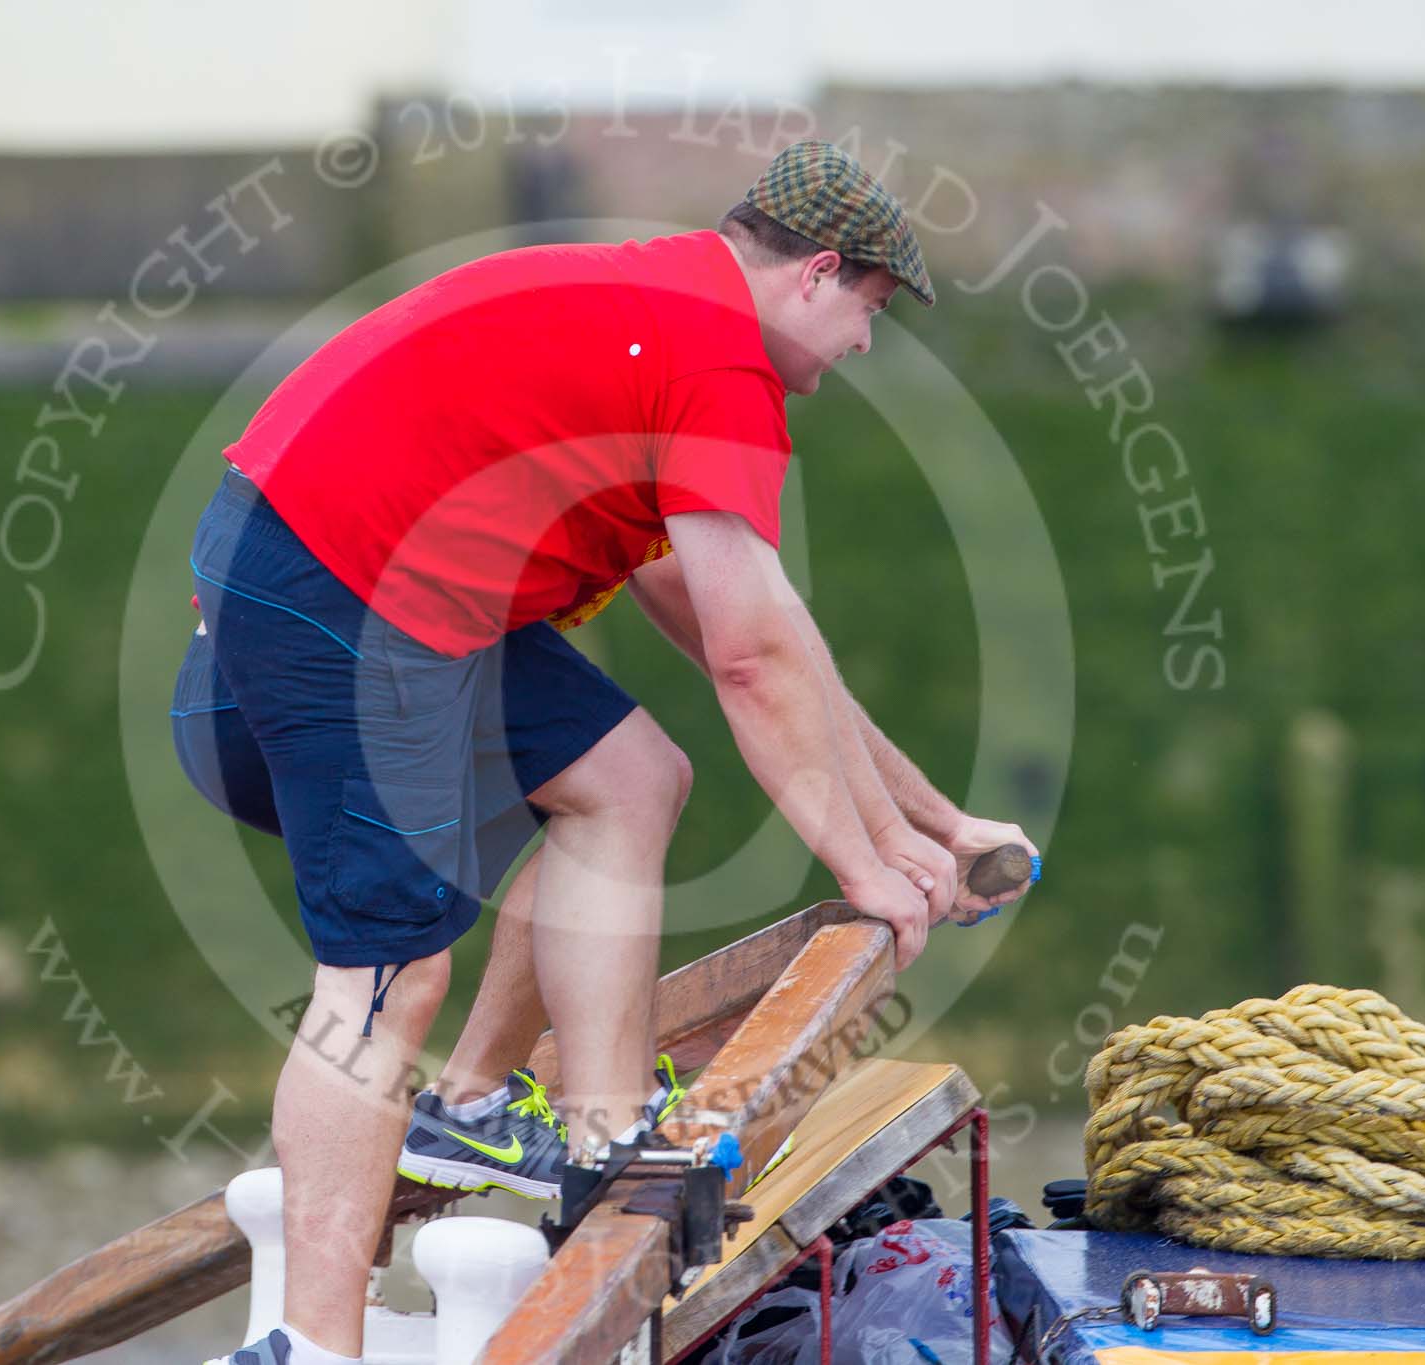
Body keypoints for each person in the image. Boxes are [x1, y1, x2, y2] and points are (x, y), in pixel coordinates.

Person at [170, 140, 1039, 1365]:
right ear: (817, 274)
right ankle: (310, 1349)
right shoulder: (717, 360)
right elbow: (751, 661)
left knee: (630, 779)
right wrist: (864, 869)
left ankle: (517, 1116)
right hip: (336, 583)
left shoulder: (664, 313)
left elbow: (751, 635)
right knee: (385, 974)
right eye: (869, 312)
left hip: (362, 570)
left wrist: (925, 828)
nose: (861, 347)